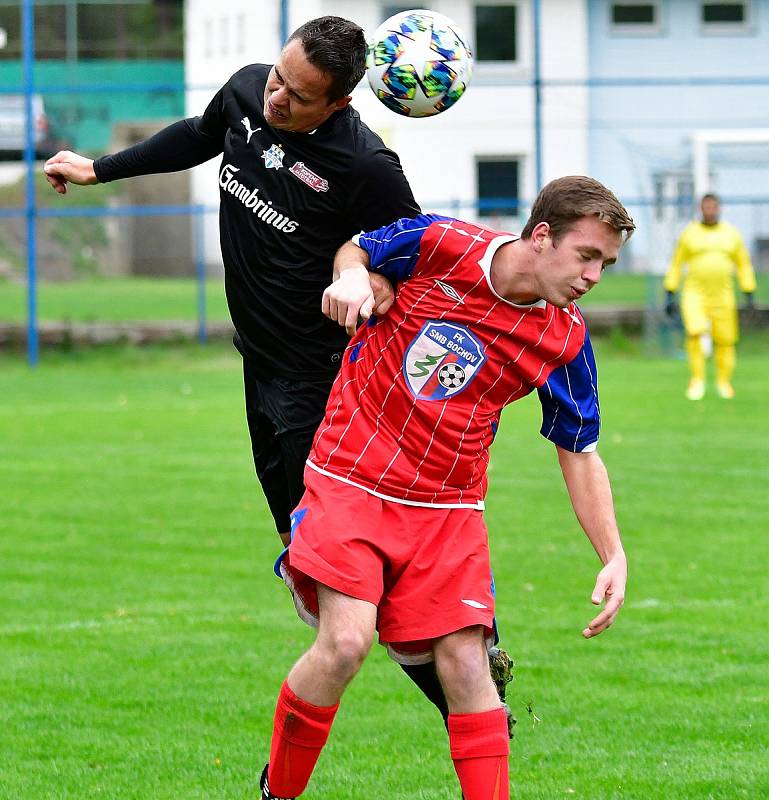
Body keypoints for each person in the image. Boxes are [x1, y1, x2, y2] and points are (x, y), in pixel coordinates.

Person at [42, 15, 512, 736]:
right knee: (306, 566)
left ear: (339, 104)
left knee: (331, 570)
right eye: (277, 79)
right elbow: (198, 136)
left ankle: (471, 694)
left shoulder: (365, 166)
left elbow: (408, 258)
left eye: (298, 95)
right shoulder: (243, 93)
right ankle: (468, 667)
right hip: (259, 371)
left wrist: (372, 285)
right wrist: (98, 168)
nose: (275, 99)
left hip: (325, 384)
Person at [260, 176, 633, 800]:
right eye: (587, 255)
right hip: (354, 471)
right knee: (346, 642)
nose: (594, 276)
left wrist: (613, 552)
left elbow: (579, 449)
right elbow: (360, 247)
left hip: (450, 507)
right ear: (541, 237)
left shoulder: (565, 340)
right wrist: (354, 275)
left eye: (607, 263)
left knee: (466, 665)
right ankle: (278, 792)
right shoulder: (440, 242)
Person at [664, 193, 757, 400]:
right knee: (695, 333)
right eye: (706, 207)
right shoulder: (689, 234)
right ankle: (697, 380)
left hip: (723, 293)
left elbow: (743, 264)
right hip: (694, 292)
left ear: (719, 208)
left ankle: (724, 382)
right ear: (700, 208)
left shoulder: (731, 234)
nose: (710, 210)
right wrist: (670, 290)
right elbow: (677, 263)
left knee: (725, 339)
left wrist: (749, 291)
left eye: (713, 207)